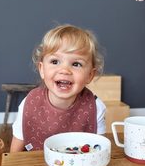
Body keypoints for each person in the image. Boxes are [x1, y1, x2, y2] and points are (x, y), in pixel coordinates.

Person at [10, 24, 106, 152]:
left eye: (76, 64)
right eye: (55, 62)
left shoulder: (95, 107)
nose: (65, 70)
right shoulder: (29, 103)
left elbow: (100, 149)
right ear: (42, 69)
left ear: (90, 75)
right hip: (36, 165)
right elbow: (16, 149)